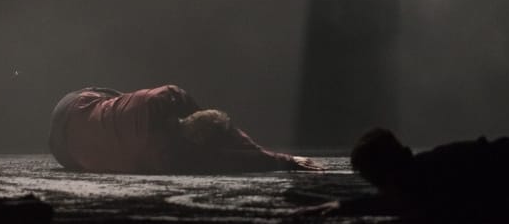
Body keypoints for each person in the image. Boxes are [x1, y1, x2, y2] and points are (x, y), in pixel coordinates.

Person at [301, 125, 509, 221]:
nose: (383, 189)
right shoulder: (429, 169)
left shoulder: (431, 171)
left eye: (379, 181)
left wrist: (344, 206)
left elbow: (402, 200)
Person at [47, 85, 321, 174]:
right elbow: (238, 157)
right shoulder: (172, 158)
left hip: (71, 104)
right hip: (67, 155)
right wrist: (287, 161)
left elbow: (226, 134)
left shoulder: (167, 97)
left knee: (114, 100)